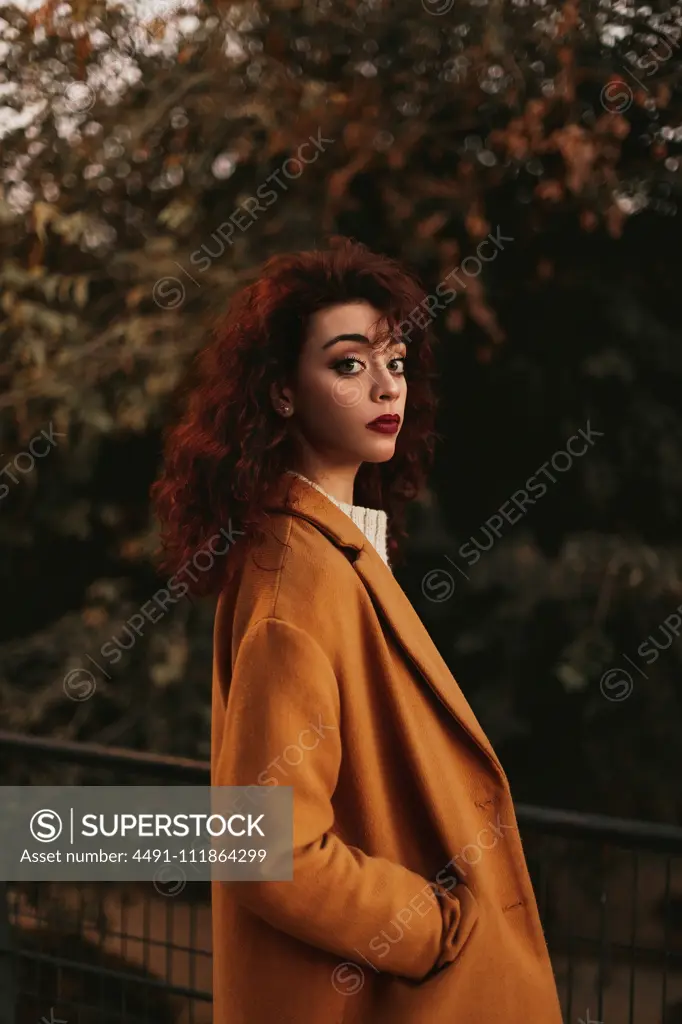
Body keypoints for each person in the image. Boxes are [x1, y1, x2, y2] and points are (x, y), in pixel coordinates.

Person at [151, 237, 563, 1024]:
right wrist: (434, 929)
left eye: (396, 362)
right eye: (349, 364)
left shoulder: (328, 547)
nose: (385, 386)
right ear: (280, 393)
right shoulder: (295, 584)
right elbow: (264, 850)